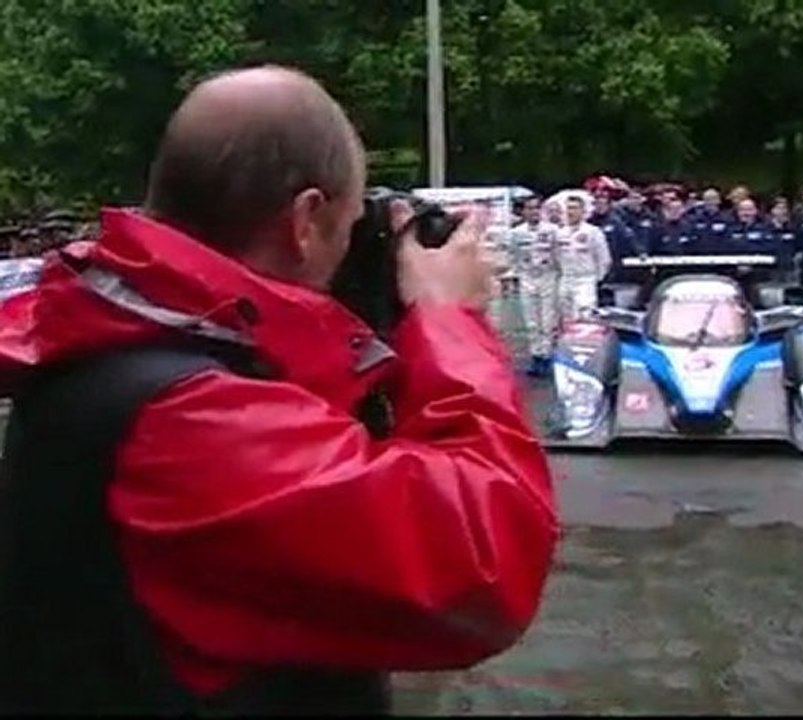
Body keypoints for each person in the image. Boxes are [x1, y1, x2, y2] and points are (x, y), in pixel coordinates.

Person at [0, 66, 558, 715]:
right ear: (306, 220)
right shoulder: (189, 416)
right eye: (351, 226)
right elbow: (480, 569)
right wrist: (447, 321)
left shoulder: (118, 331)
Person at [512, 196, 560, 376]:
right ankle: (536, 355)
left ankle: (547, 355)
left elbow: (559, 254)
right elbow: (512, 254)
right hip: (527, 277)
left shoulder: (553, 230)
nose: (533, 212)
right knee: (531, 320)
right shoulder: (517, 232)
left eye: (536, 208)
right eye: (529, 209)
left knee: (548, 319)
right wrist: (516, 276)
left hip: (548, 276)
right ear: (523, 211)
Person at [556, 195, 611, 324]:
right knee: (565, 317)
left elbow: (604, 259)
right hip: (566, 279)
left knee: (585, 316)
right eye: (568, 208)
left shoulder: (593, 232)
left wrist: (596, 278)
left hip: (585, 279)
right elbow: (556, 257)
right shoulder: (560, 233)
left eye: (574, 208)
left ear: (583, 211)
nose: (571, 212)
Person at [589, 189, 637, 285]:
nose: (600, 207)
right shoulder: (589, 223)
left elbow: (627, 241)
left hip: (613, 265)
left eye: (603, 204)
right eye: (597, 204)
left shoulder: (616, 222)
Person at [690, 187, 731, 254]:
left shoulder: (727, 218)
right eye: (707, 199)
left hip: (721, 256)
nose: (710, 202)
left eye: (713, 199)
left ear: (719, 201)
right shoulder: (695, 219)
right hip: (700, 256)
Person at [768, 197, 797, 279]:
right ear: (772, 210)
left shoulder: (792, 227)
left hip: (789, 268)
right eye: (779, 208)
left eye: (784, 208)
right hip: (771, 269)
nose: (782, 211)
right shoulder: (765, 227)